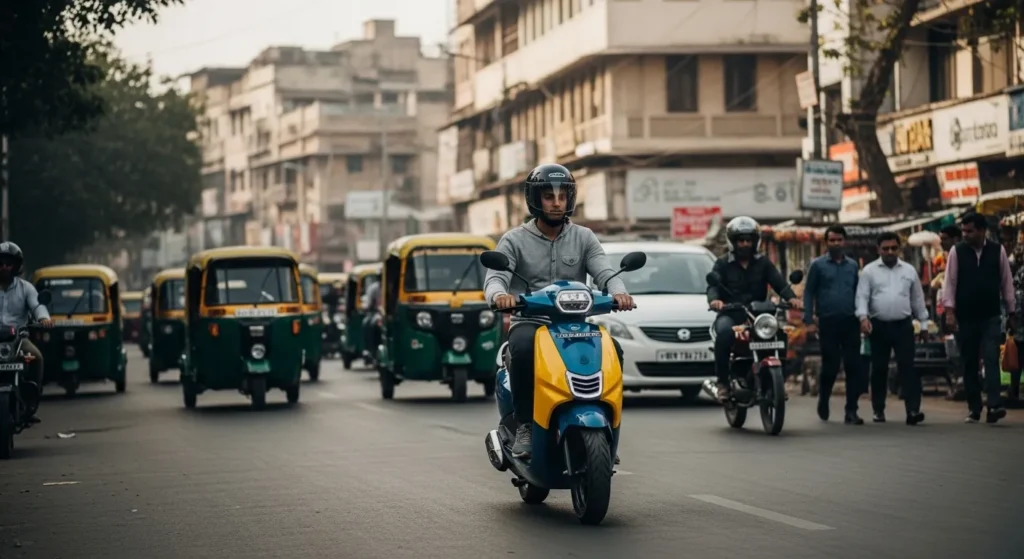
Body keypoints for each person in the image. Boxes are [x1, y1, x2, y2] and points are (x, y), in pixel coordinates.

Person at [483, 163, 635, 460]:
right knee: (525, 350)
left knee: (613, 350)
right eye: (548, 196)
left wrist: (619, 292)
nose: (556, 202)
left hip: (574, 324)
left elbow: (604, 271)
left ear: (570, 199)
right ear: (535, 200)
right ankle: (526, 423)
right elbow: (496, 277)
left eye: (562, 196)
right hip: (532, 322)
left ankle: (607, 426)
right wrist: (500, 295)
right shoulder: (514, 240)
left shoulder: (585, 237)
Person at [707, 216, 801, 402]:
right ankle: (723, 383)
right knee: (724, 333)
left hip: (759, 315)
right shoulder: (723, 263)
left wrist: (791, 298)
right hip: (731, 314)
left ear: (755, 241)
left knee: (781, 334)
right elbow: (713, 287)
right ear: (733, 242)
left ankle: (778, 380)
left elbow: (779, 283)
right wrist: (715, 300)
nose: (745, 244)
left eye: (748, 240)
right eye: (741, 240)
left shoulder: (763, 263)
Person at [942, 213, 1013, 424]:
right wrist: (949, 312)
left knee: (991, 359)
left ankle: (994, 405)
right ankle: (974, 408)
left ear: (982, 231)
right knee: (969, 362)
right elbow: (950, 283)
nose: (965, 235)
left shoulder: (997, 251)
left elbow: (1006, 282)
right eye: (963, 231)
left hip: (991, 315)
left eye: (969, 231)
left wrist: (1011, 312)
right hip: (965, 317)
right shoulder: (957, 252)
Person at [855, 232, 929, 425]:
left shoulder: (909, 271)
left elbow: (917, 299)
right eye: (885, 248)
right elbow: (862, 297)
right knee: (879, 368)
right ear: (878, 249)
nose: (890, 252)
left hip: (903, 325)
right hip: (878, 326)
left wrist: (924, 324)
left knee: (908, 367)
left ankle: (913, 410)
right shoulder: (869, 271)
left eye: (893, 248)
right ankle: (878, 409)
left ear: (899, 249)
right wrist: (863, 318)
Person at [803, 225, 864, 424]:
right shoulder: (817, 265)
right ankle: (824, 399)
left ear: (844, 242)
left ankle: (851, 410)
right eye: (832, 240)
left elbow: (859, 292)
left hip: (850, 321)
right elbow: (808, 292)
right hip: (828, 322)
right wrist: (809, 319)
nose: (836, 243)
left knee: (853, 366)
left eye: (839, 240)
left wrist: (863, 317)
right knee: (831, 365)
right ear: (826, 242)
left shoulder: (853, 266)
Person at [0, 242, 54, 423]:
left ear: (16, 266)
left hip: (18, 340)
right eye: (1, 263)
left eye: (9, 263)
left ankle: (31, 403)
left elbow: (37, 305)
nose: (5, 267)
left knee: (36, 358)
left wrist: (43, 318)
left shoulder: (26, 288)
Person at [361, 279, 382, 360]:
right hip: (376, 312)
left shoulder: (391, 284)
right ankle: (368, 349)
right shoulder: (373, 288)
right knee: (366, 323)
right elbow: (369, 303)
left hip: (389, 311)